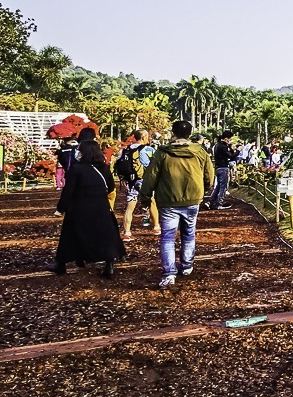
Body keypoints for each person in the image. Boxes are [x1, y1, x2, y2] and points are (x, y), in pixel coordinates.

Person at [139, 120, 214, 289]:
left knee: (167, 237)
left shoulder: (162, 152)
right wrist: (204, 189)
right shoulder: (200, 152)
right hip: (193, 199)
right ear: (190, 133)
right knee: (189, 233)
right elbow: (209, 174)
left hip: (168, 201)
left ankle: (169, 272)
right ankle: (187, 266)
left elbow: (150, 176)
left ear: (173, 132)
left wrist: (145, 197)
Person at [54, 141, 126, 278]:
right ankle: (109, 264)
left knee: (69, 235)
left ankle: (61, 264)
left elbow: (68, 191)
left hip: (79, 207)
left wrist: (61, 207)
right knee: (106, 235)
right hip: (101, 206)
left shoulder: (76, 168)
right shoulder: (104, 168)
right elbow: (110, 188)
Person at [116, 130, 159, 239]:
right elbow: (154, 165)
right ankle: (156, 227)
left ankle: (127, 232)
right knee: (151, 202)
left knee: (130, 206)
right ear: (144, 137)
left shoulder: (125, 150)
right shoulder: (149, 150)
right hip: (144, 181)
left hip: (130, 181)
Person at [209, 130, 238, 209]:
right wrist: (238, 151)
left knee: (218, 186)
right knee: (223, 186)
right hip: (223, 167)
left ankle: (212, 201)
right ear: (226, 139)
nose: (229, 140)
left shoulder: (217, 145)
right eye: (229, 139)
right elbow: (230, 156)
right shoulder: (223, 146)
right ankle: (219, 203)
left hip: (218, 167)